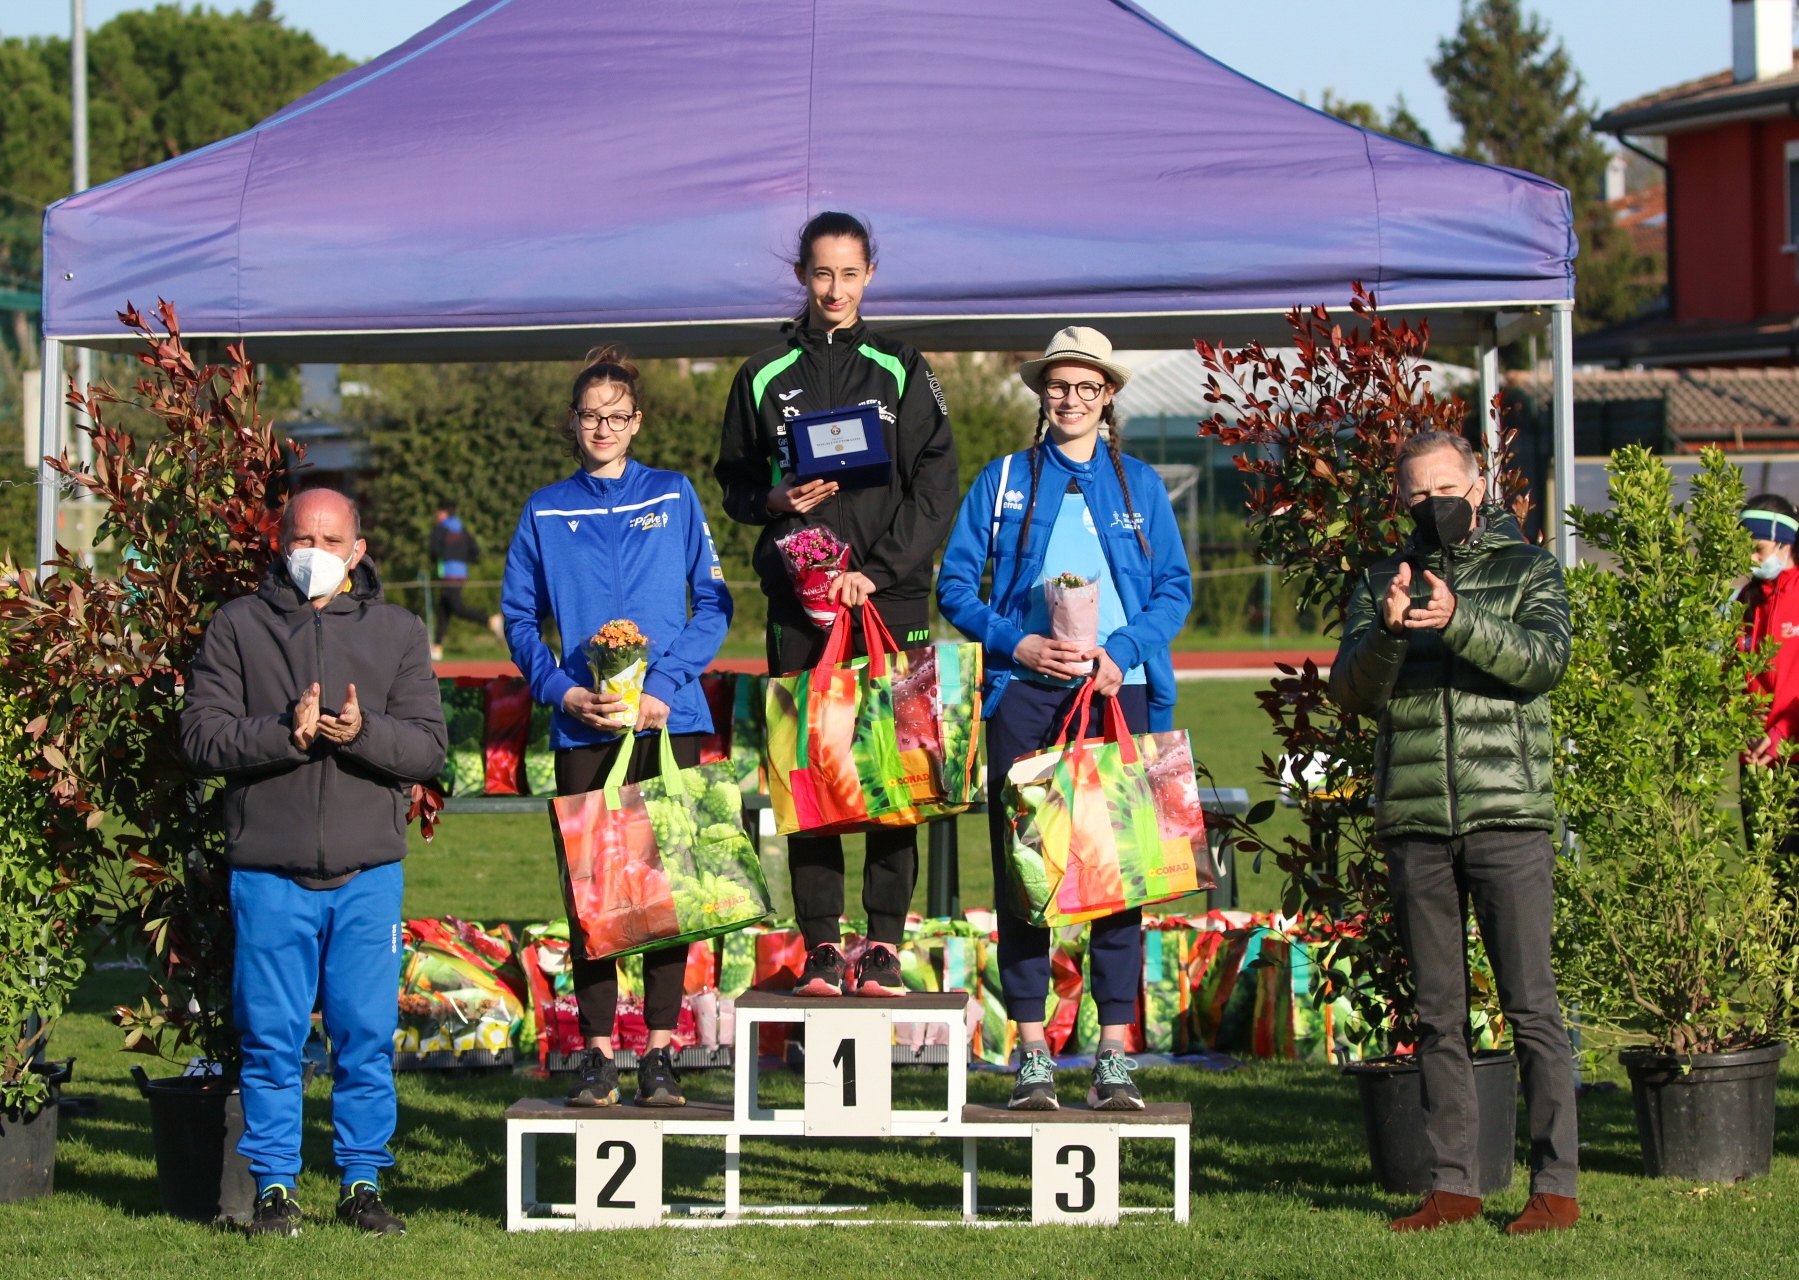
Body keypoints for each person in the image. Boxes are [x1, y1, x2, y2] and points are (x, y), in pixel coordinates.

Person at [1330, 430, 1579, 1236]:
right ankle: (1453, 1184)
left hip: (1506, 813)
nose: (1431, 506)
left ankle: (1556, 1186)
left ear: (1478, 488)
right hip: (1415, 819)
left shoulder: (1530, 568)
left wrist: (1459, 620)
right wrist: (1391, 634)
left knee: (1530, 1005)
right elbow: (1352, 692)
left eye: (1444, 490)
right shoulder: (1379, 579)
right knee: (1438, 1012)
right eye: (1414, 496)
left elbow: (1543, 661)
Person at [937, 326, 1192, 1111]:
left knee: (1120, 879)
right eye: (1058, 386)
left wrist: (1121, 649)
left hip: (1122, 692)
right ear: (1040, 392)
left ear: (1108, 395)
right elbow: (954, 586)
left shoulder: (1140, 484)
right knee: (1028, 877)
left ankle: (1112, 1054)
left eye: (1087, 387)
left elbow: (1174, 590)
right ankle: (1031, 1052)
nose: (1072, 399)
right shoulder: (1004, 478)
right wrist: (1020, 643)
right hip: (1027, 693)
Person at [182, 487, 447, 1239]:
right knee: (270, 1038)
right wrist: (282, 735)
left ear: (357, 551)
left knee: (364, 1035)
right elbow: (201, 739)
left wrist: (361, 733)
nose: (316, 553)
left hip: (368, 874)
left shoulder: (398, 631)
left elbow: (429, 748)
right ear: (280, 542)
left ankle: (362, 1182)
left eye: (332, 541)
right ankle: (273, 1188)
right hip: (267, 870)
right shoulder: (237, 625)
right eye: (303, 538)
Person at [714, 211, 957, 998]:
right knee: (810, 775)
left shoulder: (903, 366)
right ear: (801, 276)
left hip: (889, 601)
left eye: (850, 274)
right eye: (822, 273)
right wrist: (776, 497)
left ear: (869, 277)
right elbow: (736, 483)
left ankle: (882, 946)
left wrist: (879, 572)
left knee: (895, 777)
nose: (835, 289)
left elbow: (935, 485)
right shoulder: (761, 373)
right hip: (800, 607)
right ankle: (821, 947)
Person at [503, 347, 731, 1109]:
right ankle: (598, 1056)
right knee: (593, 897)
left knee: (671, 895)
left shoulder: (674, 495)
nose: (604, 427)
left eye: (617, 416)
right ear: (573, 423)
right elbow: (517, 619)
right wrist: (563, 693)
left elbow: (714, 605)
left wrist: (666, 687)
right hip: (585, 731)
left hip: (670, 723)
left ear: (637, 422)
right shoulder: (544, 509)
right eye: (590, 416)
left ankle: (661, 1057)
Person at [1738, 495, 1799, 770]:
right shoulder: (1746, 598)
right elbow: (1731, 672)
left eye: (1758, 548)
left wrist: (1782, 733)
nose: (1750, 558)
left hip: (1791, 749)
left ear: (1784, 543)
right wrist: (1741, 723)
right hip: (1756, 758)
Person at [427, 500, 502, 661]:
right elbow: (475, 551)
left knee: (456, 607)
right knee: (443, 608)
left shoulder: (440, 528)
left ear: (443, 513)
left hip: (448, 573)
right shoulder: (462, 529)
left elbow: (433, 550)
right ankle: (437, 647)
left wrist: (439, 559)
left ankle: (490, 620)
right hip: (461, 572)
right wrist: (462, 560)